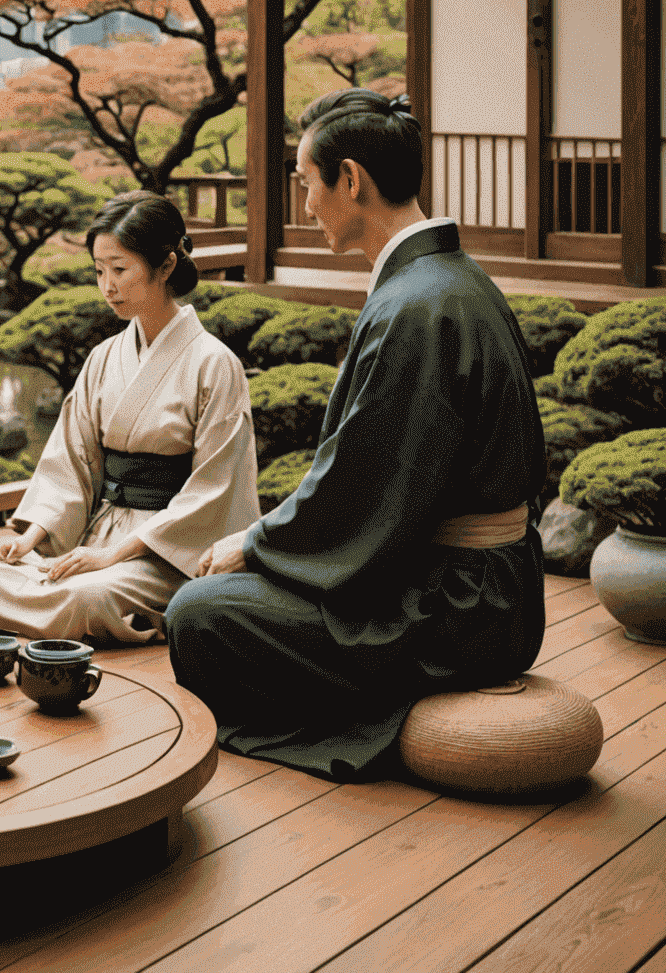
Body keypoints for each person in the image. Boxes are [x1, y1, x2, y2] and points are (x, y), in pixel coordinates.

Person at [166, 90, 547, 780]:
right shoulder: (453, 282)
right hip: (494, 587)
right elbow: (379, 482)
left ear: (350, 179)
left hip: (457, 611)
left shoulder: (417, 307)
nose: (305, 205)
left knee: (200, 614)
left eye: (308, 184)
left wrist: (255, 543)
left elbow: (365, 491)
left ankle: (373, 728)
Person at [0, 191, 261, 644]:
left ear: (166, 266)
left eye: (120, 269)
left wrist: (116, 554)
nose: (107, 286)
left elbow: (215, 489)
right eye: (99, 271)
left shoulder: (215, 364)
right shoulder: (103, 357)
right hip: (96, 532)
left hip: (164, 550)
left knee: (89, 597)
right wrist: (32, 538)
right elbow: (70, 464)